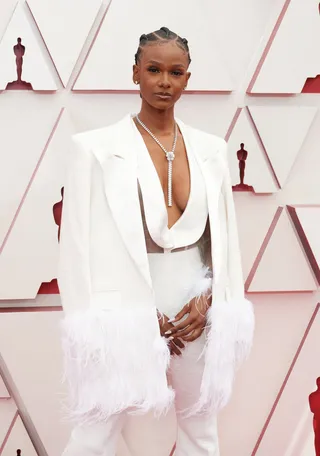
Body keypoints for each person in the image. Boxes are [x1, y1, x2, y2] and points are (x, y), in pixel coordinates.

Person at [58, 26, 255, 456]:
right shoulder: (93, 149)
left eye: (175, 72)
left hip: (193, 308)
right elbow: (73, 248)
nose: (164, 82)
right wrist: (94, 321)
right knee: (96, 431)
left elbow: (220, 239)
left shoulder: (212, 150)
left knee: (202, 430)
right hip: (123, 311)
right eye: (153, 70)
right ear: (135, 73)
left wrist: (212, 301)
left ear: (187, 78)